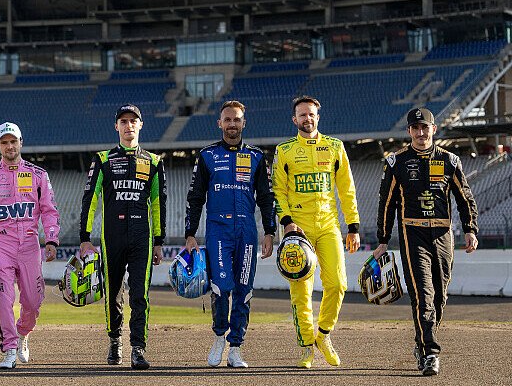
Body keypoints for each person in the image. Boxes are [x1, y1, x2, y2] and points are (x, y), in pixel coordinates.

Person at [375, 107, 478, 376]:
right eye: (415, 128)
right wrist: (383, 239)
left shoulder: (450, 161)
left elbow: (465, 198)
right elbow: (386, 204)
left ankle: (421, 343)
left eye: (425, 128)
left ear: (434, 129)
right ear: (409, 131)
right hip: (413, 234)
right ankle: (431, 352)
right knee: (423, 295)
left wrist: (470, 229)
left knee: (440, 296)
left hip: (443, 235)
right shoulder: (396, 162)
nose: (421, 133)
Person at [185, 100, 276, 368]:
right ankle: (218, 337)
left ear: (243, 123)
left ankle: (236, 347)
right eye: (228, 119)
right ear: (220, 123)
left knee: (244, 290)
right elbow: (195, 198)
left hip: (247, 232)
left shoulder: (257, 156)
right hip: (218, 232)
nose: (232, 124)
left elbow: (267, 198)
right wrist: (190, 234)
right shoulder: (206, 156)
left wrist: (269, 231)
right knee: (221, 287)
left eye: (237, 119)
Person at [272, 96, 360, 368]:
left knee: (338, 284)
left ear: (317, 117)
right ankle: (307, 347)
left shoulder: (335, 147)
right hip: (297, 229)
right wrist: (287, 222)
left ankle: (323, 335)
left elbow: (346, 189)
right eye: (302, 115)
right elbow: (278, 190)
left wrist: (353, 225)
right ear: (294, 120)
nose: (307, 119)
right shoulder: (284, 150)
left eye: (311, 114)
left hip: (329, 225)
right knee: (302, 292)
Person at [80, 103, 166, 370]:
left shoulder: (153, 161)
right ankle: (115, 340)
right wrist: (85, 237)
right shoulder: (103, 159)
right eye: (124, 121)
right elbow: (89, 199)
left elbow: (158, 202)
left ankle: (138, 349)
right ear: (116, 126)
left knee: (140, 295)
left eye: (133, 121)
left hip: (142, 237)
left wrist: (159, 241)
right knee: (113, 293)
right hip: (112, 237)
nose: (129, 125)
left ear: (140, 125)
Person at [0, 122, 60, 369]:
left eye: (13, 141)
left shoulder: (38, 175)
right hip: (1, 242)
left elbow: (49, 210)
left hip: (30, 243)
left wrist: (51, 238)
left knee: (33, 300)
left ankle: (23, 333)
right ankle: (9, 349)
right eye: (4, 142)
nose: (10, 146)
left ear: (21, 142)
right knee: (4, 297)